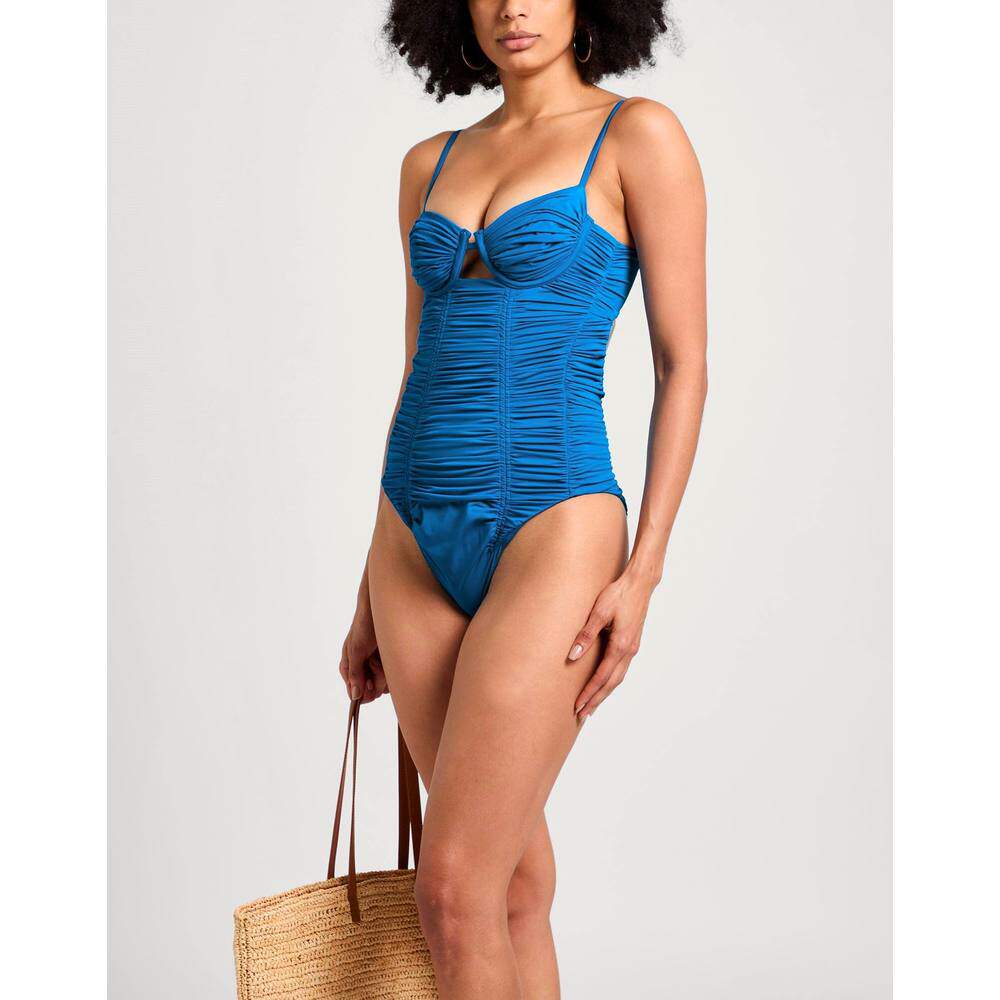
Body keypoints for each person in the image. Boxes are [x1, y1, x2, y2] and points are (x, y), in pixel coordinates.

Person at [340, 3, 706, 996]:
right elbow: (416, 368)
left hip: (556, 524)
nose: (512, 7)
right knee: (510, 888)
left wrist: (644, 572)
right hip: (410, 533)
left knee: (452, 891)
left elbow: (682, 365)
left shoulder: (637, 136)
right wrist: (368, 586)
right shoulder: (427, 162)